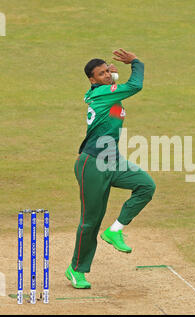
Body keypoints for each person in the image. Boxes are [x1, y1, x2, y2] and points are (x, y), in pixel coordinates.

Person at [65, 49, 156, 288]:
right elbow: (136, 85)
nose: (107, 75)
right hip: (92, 163)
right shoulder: (104, 93)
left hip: (112, 159)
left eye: (108, 71)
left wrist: (114, 77)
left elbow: (111, 85)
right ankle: (76, 270)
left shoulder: (105, 91)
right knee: (90, 222)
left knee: (146, 185)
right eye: (101, 73)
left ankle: (115, 230)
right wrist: (136, 62)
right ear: (92, 80)